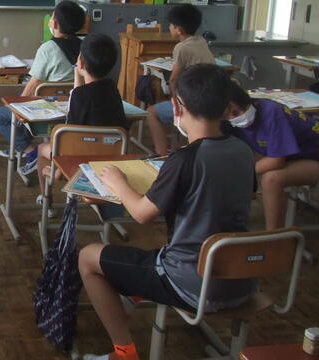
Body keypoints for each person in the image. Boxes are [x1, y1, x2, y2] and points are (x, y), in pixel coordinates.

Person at [77, 64, 256, 360]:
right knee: (144, 259)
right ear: (227, 107)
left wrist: (118, 182)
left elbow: (141, 215)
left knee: (87, 257)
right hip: (243, 277)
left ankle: (123, 353)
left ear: (176, 106)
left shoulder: (185, 159)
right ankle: (132, 294)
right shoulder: (243, 151)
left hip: (192, 281)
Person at [0, 0, 85, 176]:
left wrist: (15, 105)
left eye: (52, 17)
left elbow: (33, 83)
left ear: (54, 24)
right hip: (73, 109)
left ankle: (30, 151)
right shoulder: (84, 47)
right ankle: (21, 146)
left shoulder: (48, 48)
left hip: (47, 110)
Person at [37, 33, 128, 196]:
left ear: (81, 62)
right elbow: (81, 94)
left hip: (82, 155)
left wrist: (58, 171)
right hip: (111, 153)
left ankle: (46, 197)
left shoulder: (80, 96)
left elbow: (69, 138)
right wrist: (78, 75)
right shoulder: (112, 88)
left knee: (42, 148)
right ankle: (56, 175)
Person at [224, 82, 319, 229]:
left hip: (313, 155)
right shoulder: (229, 124)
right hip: (297, 156)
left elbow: (276, 161)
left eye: (240, 109)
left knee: (271, 179)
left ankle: (275, 236)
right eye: (231, 114)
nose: (241, 115)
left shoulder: (271, 111)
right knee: (244, 165)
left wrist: (241, 173)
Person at [147, 4, 215, 155]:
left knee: (152, 112)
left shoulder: (181, 48)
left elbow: (173, 79)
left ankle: (161, 154)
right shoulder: (201, 41)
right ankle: (172, 146)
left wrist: (175, 101)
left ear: (179, 30)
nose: (169, 27)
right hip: (209, 98)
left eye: (171, 25)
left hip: (193, 103)